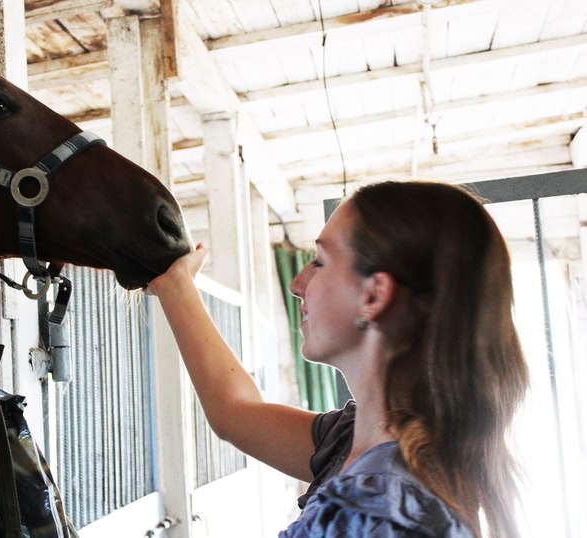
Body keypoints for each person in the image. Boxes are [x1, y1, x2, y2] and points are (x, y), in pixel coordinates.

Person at [146, 181, 529, 537]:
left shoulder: (377, 510)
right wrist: (176, 286)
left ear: (374, 297)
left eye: (320, 262)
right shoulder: (366, 446)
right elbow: (235, 412)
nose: (298, 285)